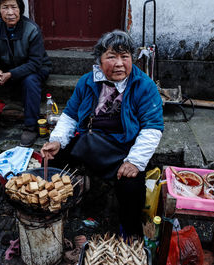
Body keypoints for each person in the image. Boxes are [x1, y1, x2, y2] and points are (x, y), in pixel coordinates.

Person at [41, 30, 164, 236]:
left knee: (132, 188)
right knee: (52, 158)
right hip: (90, 141)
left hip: (123, 149)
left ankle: (130, 233)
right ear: (99, 61)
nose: (119, 63)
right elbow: (70, 115)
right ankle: (54, 210)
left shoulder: (144, 86)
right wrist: (57, 141)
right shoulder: (87, 81)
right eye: (111, 56)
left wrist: (134, 161)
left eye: (125, 56)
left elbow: (152, 128)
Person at [0, 0, 51, 146]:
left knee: (30, 80)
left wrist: (10, 74)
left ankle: (30, 126)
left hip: (34, 69)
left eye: (13, 7)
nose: (10, 12)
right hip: (5, 71)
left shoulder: (32, 29)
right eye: (5, 8)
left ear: (20, 9)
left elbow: (35, 62)